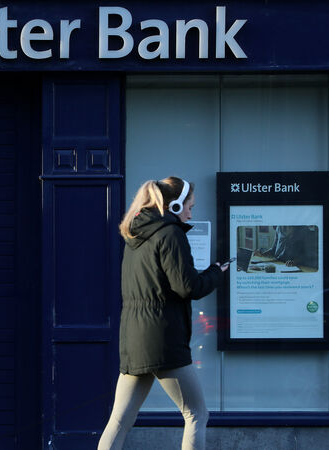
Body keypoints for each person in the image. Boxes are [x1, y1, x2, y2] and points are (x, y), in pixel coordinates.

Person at [98, 177, 228, 450]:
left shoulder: (134, 235)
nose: (190, 214)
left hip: (134, 340)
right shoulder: (170, 233)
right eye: (190, 207)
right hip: (163, 339)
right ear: (175, 205)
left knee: (119, 420)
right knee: (196, 413)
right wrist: (216, 272)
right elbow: (188, 287)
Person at [254, 225, 318, 268]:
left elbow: (308, 255)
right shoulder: (279, 228)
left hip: (296, 267)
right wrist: (262, 254)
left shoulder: (303, 230)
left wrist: (296, 261)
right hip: (278, 264)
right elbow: (274, 249)